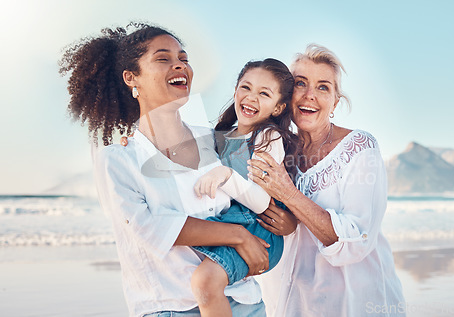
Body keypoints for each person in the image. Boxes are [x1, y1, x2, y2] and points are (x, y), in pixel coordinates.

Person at [60, 23, 269, 317]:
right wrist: (237, 235)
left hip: (245, 301)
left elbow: (258, 202)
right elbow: (147, 228)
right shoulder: (118, 158)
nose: (180, 66)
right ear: (132, 78)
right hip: (169, 307)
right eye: (163, 58)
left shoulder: (215, 140)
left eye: (183, 58)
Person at [247, 44, 406, 316]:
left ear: (334, 102)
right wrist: (287, 225)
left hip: (353, 303)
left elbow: (356, 239)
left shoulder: (360, 147)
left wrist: (289, 194)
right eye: (300, 84)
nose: (310, 95)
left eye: (323, 87)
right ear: (285, 95)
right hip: (294, 301)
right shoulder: (277, 148)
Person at [190, 58, 298, 317]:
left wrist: (226, 175)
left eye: (264, 93)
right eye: (245, 88)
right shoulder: (220, 134)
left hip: (258, 230)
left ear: (278, 107)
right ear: (236, 90)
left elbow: (261, 203)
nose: (251, 97)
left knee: (204, 282)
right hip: (227, 225)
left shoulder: (268, 137)